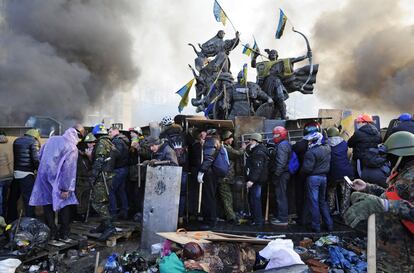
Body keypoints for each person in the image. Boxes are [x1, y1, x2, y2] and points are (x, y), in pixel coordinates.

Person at [344, 131, 414, 270]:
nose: (388, 160)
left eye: (390, 157)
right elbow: (393, 195)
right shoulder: (404, 171)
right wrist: (368, 188)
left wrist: (384, 205)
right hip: (390, 250)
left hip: (405, 258)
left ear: (402, 156)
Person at [29, 127, 82, 240]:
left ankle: (52, 231)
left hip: (44, 175)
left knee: (47, 203)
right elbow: (69, 169)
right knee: (64, 203)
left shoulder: (52, 140)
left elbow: (39, 155)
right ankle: (64, 232)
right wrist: (65, 188)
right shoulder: (72, 147)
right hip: (59, 178)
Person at [300, 131, 333, 232]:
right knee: (322, 202)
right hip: (324, 178)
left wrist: (301, 175)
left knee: (314, 202)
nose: (309, 142)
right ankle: (329, 225)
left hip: (313, 178)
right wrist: (325, 136)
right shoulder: (327, 148)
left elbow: (307, 169)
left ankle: (316, 226)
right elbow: (327, 142)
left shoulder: (310, 152)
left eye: (310, 141)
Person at [88, 124, 116, 241]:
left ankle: (109, 227)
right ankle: (104, 225)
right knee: (103, 202)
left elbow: (99, 161)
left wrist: (93, 176)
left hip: (102, 177)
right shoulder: (109, 142)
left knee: (97, 203)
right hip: (108, 176)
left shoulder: (101, 143)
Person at [7, 129, 41, 221]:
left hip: (16, 173)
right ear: (35, 136)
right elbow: (36, 159)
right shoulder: (33, 142)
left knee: (13, 199)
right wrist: (40, 171)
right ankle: (30, 222)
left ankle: (10, 220)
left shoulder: (17, 141)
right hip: (27, 175)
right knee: (28, 200)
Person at [160, 116, 188, 225]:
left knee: (169, 193)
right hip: (184, 168)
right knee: (182, 194)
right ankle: (180, 217)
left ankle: (169, 218)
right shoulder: (184, 134)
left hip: (170, 168)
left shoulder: (163, 136)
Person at [292, 122, 321, 224]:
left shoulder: (300, 144)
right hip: (317, 173)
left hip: (301, 174)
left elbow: (294, 150)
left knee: (301, 196)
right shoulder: (321, 143)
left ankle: (302, 219)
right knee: (314, 198)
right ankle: (313, 219)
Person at [197, 129, 223, 229]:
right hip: (213, 173)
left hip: (209, 173)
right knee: (211, 196)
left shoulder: (210, 141)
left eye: (203, 132)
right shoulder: (216, 141)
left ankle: (210, 222)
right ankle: (210, 220)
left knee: (209, 197)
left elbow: (208, 158)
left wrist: (201, 171)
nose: (201, 134)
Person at [219, 130, 246, 224]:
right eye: (231, 138)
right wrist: (243, 148)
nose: (232, 140)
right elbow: (238, 153)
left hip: (227, 177)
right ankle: (231, 218)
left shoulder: (226, 146)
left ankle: (228, 215)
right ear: (226, 139)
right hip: (225, 177)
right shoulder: (225, 147)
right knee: (227, 197)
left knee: (227, 197)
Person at [326, 127, 354, 214]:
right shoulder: (344, 143)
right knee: (346, 192)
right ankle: (345, 213)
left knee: (331, 190)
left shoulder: (326, 145)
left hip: (332, 173)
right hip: (347, 173)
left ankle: (330, 210)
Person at [245, 133, 269, 226]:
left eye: (251, 140)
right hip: (257, 179)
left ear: (255, 141)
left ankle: (258, 221)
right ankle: (255, 219)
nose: (249, 142)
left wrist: (252, 180)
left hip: (256, 180)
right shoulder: (257, 150)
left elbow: (257, 168)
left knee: (255, 199)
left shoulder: (258, 152)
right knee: (254, 199)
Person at [270, 126, 291, 226]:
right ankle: (281, 216)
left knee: (281, 196)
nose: (274, 136)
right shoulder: (283, 144)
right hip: (283, 173)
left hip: (281, 174)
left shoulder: (282, 146)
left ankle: (283, 219)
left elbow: (281, 163)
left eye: (276, 134)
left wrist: (276, 175)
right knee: (280, 196)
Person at [108, 127, 130, 220]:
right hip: (124, 168)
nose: (109, 134)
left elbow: (117, 155)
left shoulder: (117, 141)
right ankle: (124, 211)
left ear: (116, 131)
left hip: (118, 169)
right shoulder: (124, 140)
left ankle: (113, 213)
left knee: (110, 190)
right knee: (121, 190)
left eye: (110, 131)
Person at [74, 133, 96, 220]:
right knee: (80, 197)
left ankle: (83, 213)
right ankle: (80, 214)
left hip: (88, 178)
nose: (90, 144)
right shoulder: (79, 153)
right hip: (81, 178)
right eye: (89, 143)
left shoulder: (94, 151)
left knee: (86, 197)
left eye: (92, 142)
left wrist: (90, 156)